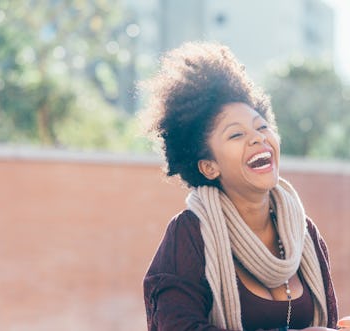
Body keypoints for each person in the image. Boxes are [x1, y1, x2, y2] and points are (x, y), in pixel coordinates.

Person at [141, 41, 339, 331]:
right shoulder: (189, 235)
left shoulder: (304, 234)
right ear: (209, 166)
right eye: (236, 135)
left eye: (262, 127)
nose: (258, 138)